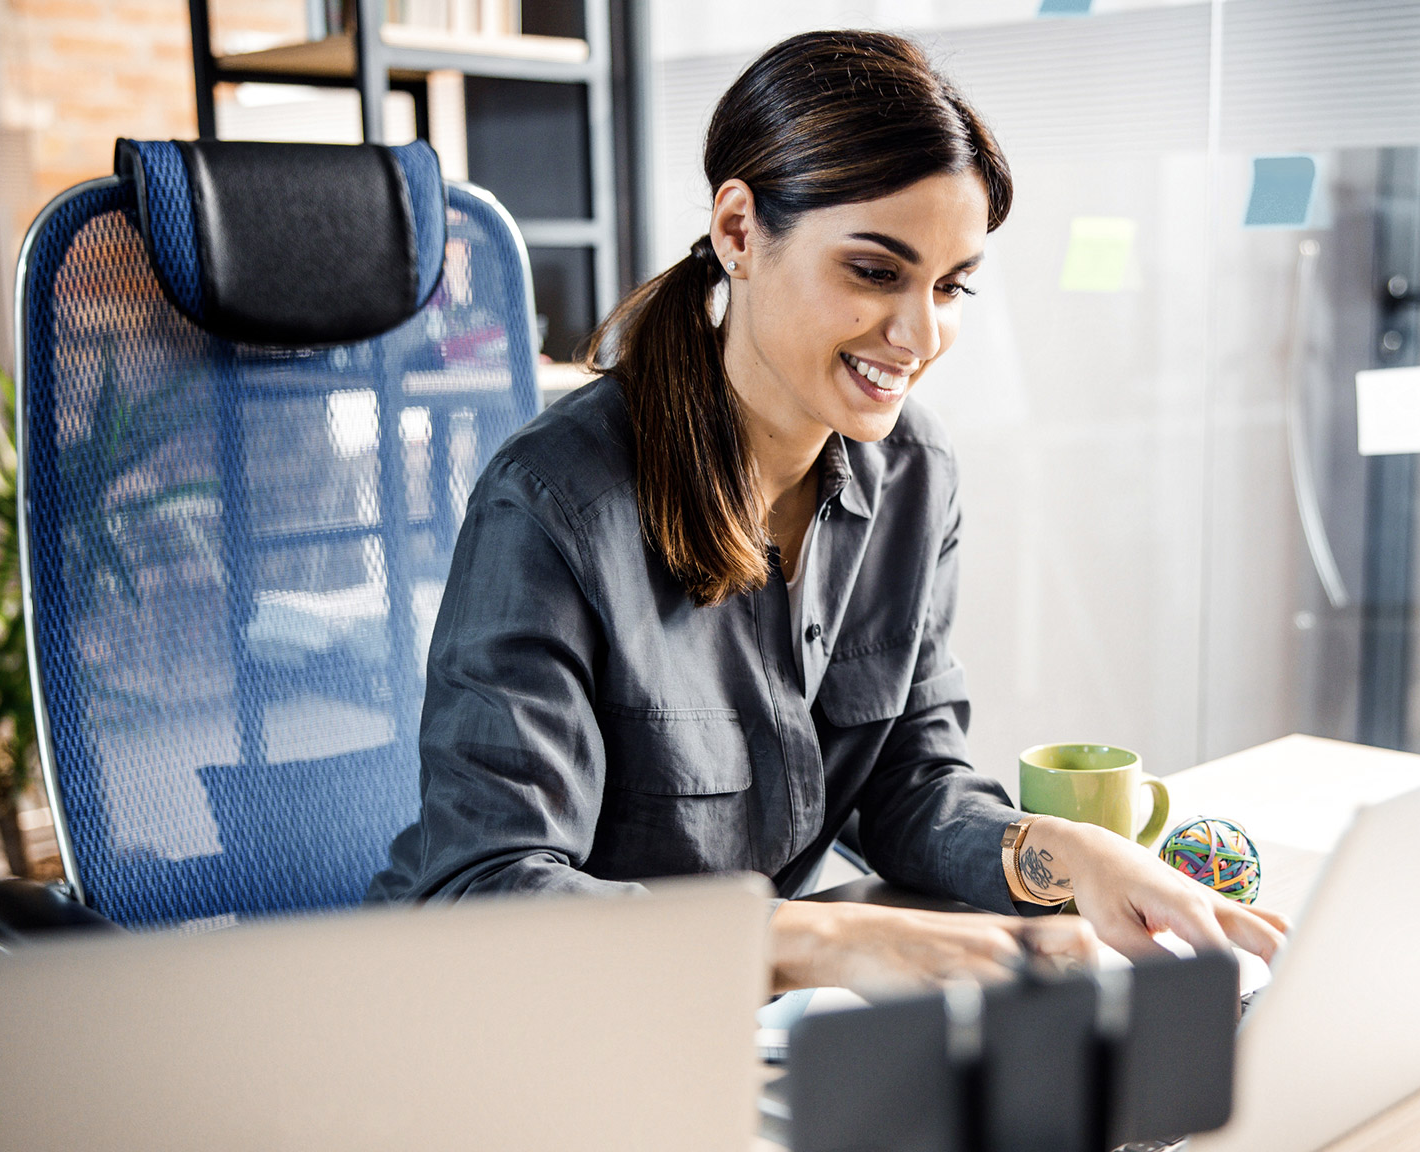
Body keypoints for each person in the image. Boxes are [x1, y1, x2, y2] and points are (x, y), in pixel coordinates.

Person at [370, 29, 1287, 996]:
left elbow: (908, 785)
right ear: (738, 232)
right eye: (875, 272)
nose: (920, 334)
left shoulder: (914, 477)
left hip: (754, 1024)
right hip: (528, 1027)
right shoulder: (557, 505)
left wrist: (1063, 855)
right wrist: (819, 939)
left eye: (951, 285)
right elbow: (487, 894)